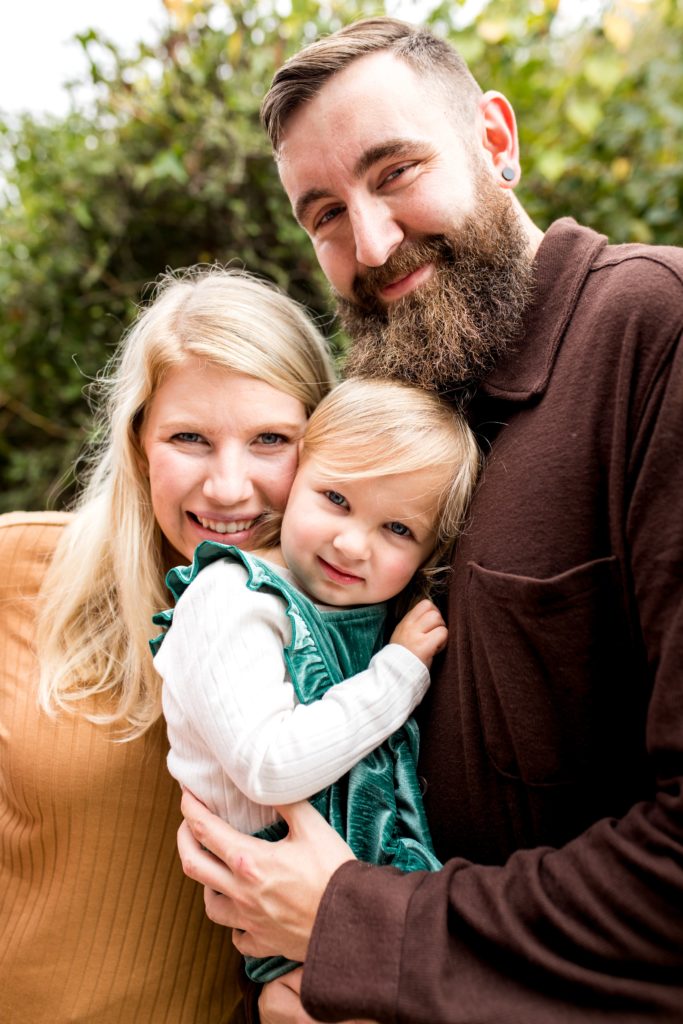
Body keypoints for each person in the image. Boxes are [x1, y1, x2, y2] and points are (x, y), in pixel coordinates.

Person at [175, 17, 683, 1024]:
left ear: (496, 140)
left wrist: (356, 926)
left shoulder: (652, 336)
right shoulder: (397, 413)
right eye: (323, 214)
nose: (368, 243)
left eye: (395, 170)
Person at [0, 265, 336, 1023]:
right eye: (189, 437)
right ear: (139, 442)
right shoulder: (19, 570)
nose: (227, 487)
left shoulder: (360, 632)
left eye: (269, 440)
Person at [153, 377, 479, 984]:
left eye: (398, 530)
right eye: (335, 498)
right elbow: (270, 765)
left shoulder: (361, 610)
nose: (353, 543)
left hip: (376, 911)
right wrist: (397, 675)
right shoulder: (232, 599)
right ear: (297, 476)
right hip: (288, 932)